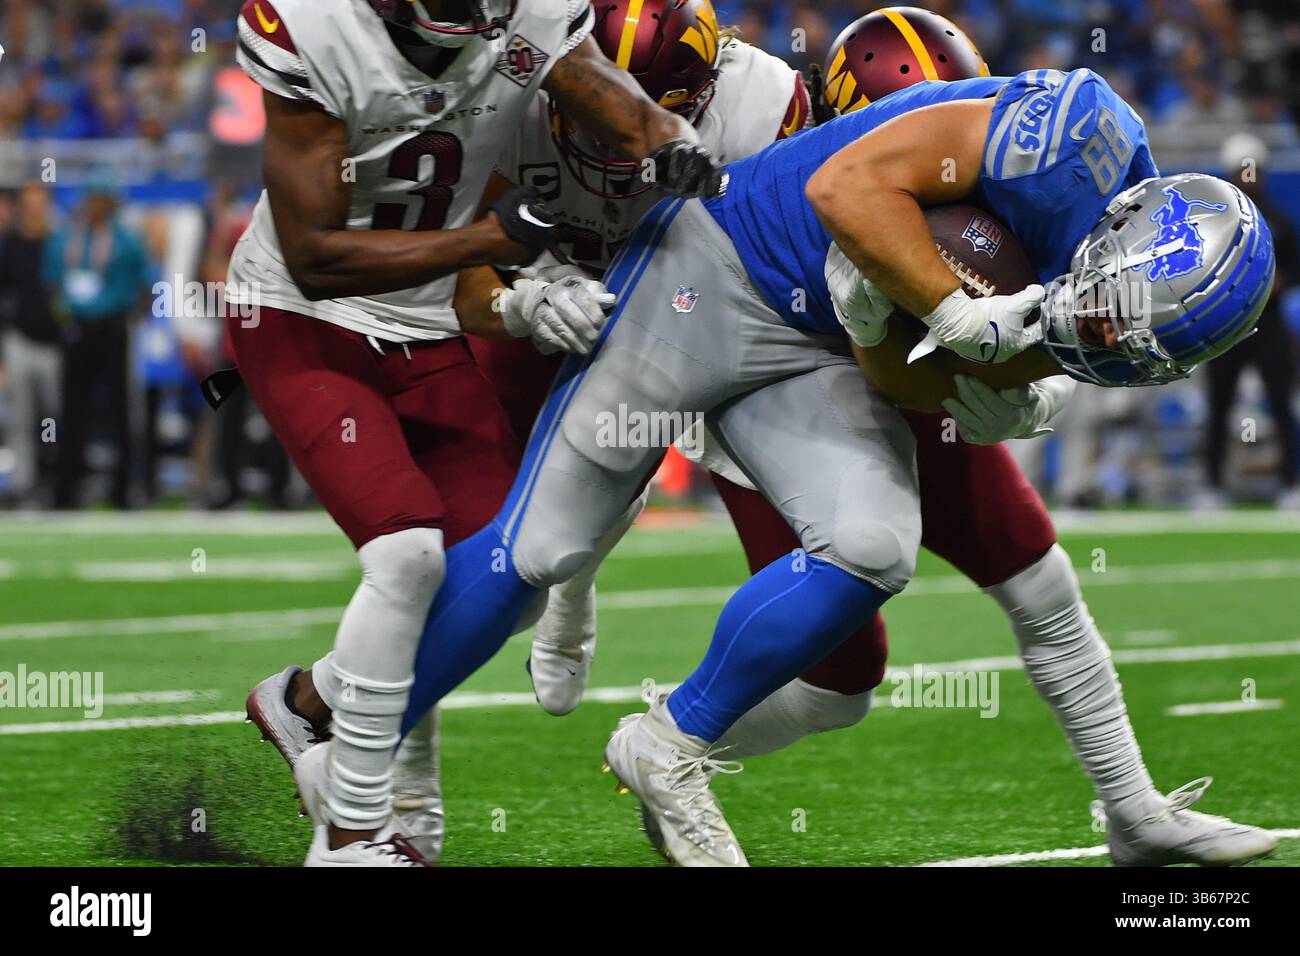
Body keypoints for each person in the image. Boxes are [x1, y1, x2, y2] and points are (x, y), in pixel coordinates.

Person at [390, 65, 1276, 868]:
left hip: (821, 352)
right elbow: (841, 185)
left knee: (873, 547)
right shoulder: (1070, 139)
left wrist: (1014, 388)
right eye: (1110, 312)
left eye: (1130, 344)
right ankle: (344, 728)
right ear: (1127, 227)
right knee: (541, 552)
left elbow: (898, 374)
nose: (1101, 330)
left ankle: (669, 744)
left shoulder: (1103, 311)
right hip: (715, 272)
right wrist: (950, 310)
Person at [228, 0, 724, 867]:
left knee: (518, 569)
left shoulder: (519, 13)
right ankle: (351, 836)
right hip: (302, 314)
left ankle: (310, 701)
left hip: (421, 328)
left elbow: (598, 85)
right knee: (408, 554)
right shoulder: (311, 25)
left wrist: (664, 137)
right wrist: (487, 241)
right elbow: (314, 253)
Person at [1197, 132, 1299, 510]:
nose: (1247, 176)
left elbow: (1292, 269)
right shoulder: (1218, 222)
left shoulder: (1278, 221)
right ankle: (1211, 485)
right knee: (1219, 403)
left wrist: (1277, 284)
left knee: (1280, 400)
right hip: (1227, 323)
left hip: (1267, 324)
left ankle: (1291, 481)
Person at [45, 177, 152, 509]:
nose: (94, 205)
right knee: (73, 410)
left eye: (100, 199)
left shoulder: (126, 240)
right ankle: (67, 489)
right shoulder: (65, 238)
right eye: (90, 199)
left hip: (112, 327)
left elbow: (145, 283)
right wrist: (63, 319)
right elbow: (51, 284)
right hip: (76, 329)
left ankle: (123, 489)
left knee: (120, 410)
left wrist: (132, 317)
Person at [0, 183, 61, 506]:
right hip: (20, 340)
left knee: (53, 416)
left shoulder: (59, 242)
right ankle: (23, 484)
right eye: (29, 204)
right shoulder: (11, 244)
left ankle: (53, 479)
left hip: (54, 343)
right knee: (21, 419)